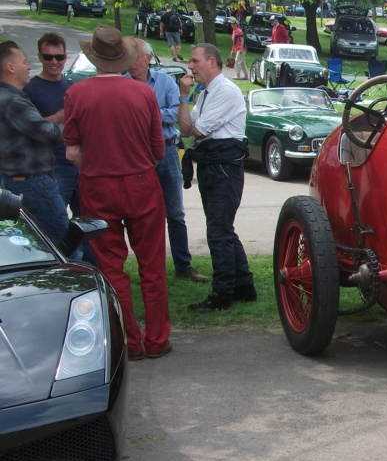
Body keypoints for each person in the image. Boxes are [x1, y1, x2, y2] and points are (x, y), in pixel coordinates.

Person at [63, 27, 171, 360]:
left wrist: (96, 165)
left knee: (111, 267)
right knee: (152, 265)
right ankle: (156, 340)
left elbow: (72, 151)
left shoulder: (76, 94)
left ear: (94, 57)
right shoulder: (142, 93)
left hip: (97, 184)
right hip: (140, 181)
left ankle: (128, 340)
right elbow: (158, 149)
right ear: (122, 58)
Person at [177, 43, 256, 312]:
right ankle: (244, 287)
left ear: (212, 62)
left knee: (218, 232)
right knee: (223, 228)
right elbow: (186, 129)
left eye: (194, 60)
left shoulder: (226, 90)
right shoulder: (206, 93)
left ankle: (223, 294)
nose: (190, 66)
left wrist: (187, 96)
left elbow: (198, 131)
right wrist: (184, 97)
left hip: (224, 166)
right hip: (213, 164)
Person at [127, 38, 208, 285]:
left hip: (166, 151)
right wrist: (154, 114)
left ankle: (183, 265)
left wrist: (141, 112)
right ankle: (150, 267)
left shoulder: (164, 82)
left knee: (174, 213)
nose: (131, 63)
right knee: (141, 214)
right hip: (136, 154)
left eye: (135, 57)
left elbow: (175, 114)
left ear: (148, 58)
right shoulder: (122, 83)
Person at [0, 40, 69, 244]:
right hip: (33, 182)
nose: (29, 66)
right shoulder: (12, 101)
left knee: (35, 242)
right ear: (10, 67)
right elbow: (49, 134)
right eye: (24, 61)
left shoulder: (10, 97)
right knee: (63, 243)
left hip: (22, 181)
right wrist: (75, 123)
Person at [23, 33, 78, 215]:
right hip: (52, 169)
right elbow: (27, 130)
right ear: (39, 57)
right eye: (48, 57)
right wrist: (58, 117)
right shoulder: (30, 89)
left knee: (89, 226)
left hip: (79, 165)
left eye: (59, 57)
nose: (54, 61)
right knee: (53, 225)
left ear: (65, 58)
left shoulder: (72, 87)